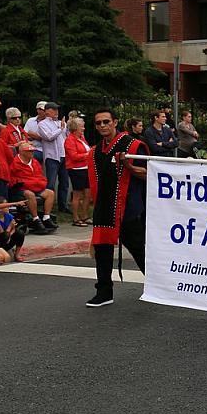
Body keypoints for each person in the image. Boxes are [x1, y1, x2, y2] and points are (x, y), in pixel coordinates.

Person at [87, 108, 147, 307]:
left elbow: (149, 173)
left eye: (106, 121)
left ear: (115, 122)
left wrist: (128, 166)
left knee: (139, 250)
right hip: (104, 208)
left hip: (128, 207)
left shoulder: (133, 145)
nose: (102, 126)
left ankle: (162, 287)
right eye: (98, 123)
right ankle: (104, 292)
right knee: (102, 251)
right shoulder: (95, 151)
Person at [9, 142, 57, 233]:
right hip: (21, 189)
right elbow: (12, 179)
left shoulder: (35, 162)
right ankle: (35, 219)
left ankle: (46, 217)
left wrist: (39, 184)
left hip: (37, 187)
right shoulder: (14, 162)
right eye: (29, 151)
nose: (32, 153)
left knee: (50, 193)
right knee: (29, 194)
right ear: (22, 152)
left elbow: (41, 176)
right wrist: (27, 183)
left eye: (32, 151)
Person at [65, 117, 93, 226]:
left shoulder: (81, 138)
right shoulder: (69, 140)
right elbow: (74, 156)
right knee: (77, 194)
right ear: (76, 128)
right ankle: (75, 218)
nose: (84, 128)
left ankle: (85, 216)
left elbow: (87, 150)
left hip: (86, 168)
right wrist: (88, 155)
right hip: (76, 169)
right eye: (82, 126)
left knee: (87, 193)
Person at [0, 195, 25, 261]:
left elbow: (14, 228)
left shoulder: (8, 215)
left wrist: (10, 235)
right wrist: (10, 226)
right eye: (6, 206)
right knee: (5, 236)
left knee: (20, 233)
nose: (8, 207)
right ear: (0, 209)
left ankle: (17, 254)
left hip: (7, 238)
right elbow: (2, 235)